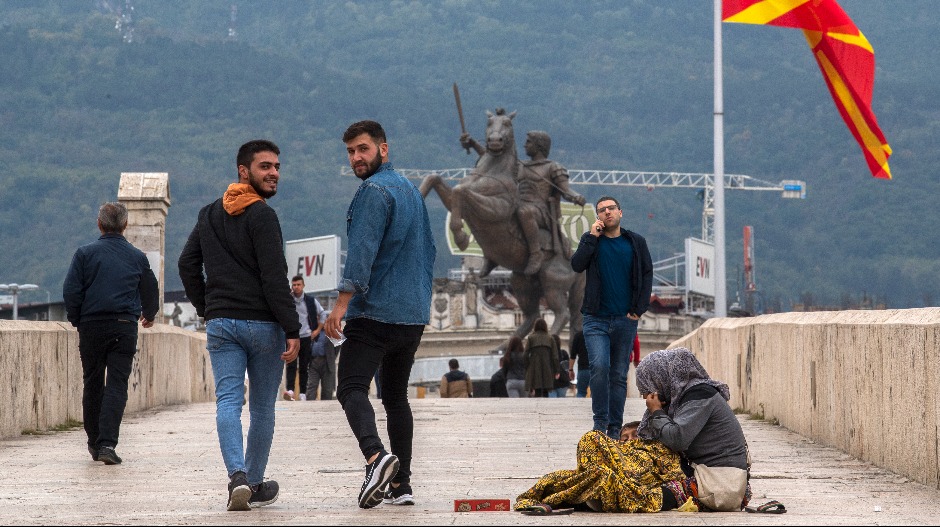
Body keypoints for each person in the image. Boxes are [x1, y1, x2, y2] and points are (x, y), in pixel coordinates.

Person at [178, 139, 300, 512]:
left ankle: (237, 476)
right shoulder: (262, 215)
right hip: (264, 326)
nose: (274, 173)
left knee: (228, 402)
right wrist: (293, 328)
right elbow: (274, 277)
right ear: (243, 171)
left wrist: (208, 307)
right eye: (265, 167)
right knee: (262, 407)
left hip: (222, 325)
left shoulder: (209, 214)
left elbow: (186, 264)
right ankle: (255, 480)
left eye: (277, 166)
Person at [324, 120, 435, 509]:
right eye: (351, 151)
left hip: (375, 314)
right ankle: (402, 486)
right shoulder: (411, 192)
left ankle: (376, 457)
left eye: (363, 149)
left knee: (350, 387)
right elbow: (429, 252)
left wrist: (341, 305)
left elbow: (361, 253)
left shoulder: (372, 191)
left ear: (383, 149)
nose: (356, 157)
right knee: (395, 398)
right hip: (412, 315)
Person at [63, 201, 159, 466]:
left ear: (99, 223)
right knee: (117, 384)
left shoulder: (84, 254)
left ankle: (94, 442)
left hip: (92, 325)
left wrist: (76, 319)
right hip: (123, 326)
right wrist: (149, 314)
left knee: (92, 381)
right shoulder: (137, 257)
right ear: (125, 225)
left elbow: (72, 290)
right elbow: (150, 288)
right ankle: (108, 444)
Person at [570, 195, 653, 439]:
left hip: (625, 320)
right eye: (602, 210)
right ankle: (600, 423)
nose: (607, 213)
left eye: (611, 209)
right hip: (595, 318)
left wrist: (640, 308)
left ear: (620, 212)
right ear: (598, 217)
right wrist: (590, 238)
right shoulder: (592, 242)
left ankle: (615, 428)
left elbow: (647, 274)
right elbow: (576, 265)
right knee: (599, 366)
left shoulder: (635, 242)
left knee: (618, 374)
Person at [635, 347, 752, 511]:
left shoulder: (699, 395)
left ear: (661, 379)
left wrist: (656, 412)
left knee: (642, 496)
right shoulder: (683, 398)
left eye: (647, 388)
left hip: (719, 482)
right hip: (705, 473)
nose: (645, 397)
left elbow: (676, 439)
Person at [284, 275, 323, 401]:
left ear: (303, 285)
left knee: (304, 365)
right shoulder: (288, 300)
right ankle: (290, 390)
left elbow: (322, 314)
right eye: (294, 285)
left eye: (298, 285)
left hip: (306, 336)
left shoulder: (310, 301)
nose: (296, 287)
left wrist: (316, 331)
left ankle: (302, 393)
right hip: (291, 336)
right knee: (291, 363)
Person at [524, 318, 560, 398]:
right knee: (546, 390)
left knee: (537, 389)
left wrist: (528, 366)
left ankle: (537, 407)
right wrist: (557, 369)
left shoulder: (531, 338)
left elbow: (525, 354)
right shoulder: (550, 338)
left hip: (534, 367)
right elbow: (555, 356)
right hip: (547, 367)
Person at [307, 327, 338, 401]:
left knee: (327, 389)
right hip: (313, 361)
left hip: (326, 362)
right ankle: (309, 407)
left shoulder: (331, 331)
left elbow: (339, 344)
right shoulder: (312, 330)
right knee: (311, 386)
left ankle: (325, 409)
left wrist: (332, 356)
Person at [567, 330, 590, 398]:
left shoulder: (579, 335)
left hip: (583, 368)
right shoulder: (600, 334)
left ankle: (580, 407)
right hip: (598, 368)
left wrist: (571, 370)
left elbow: (573, 355)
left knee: (581, 392)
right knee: (597, 394)